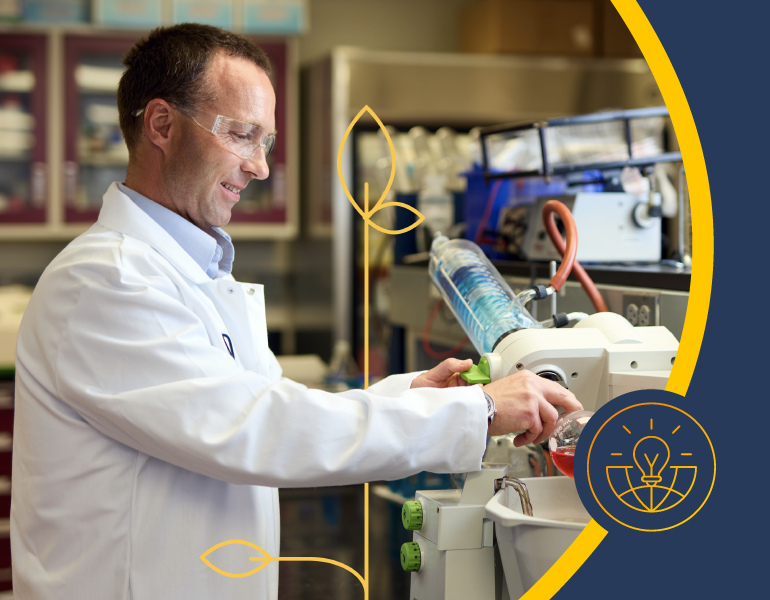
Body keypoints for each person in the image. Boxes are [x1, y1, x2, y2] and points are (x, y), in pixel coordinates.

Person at [11, 24, 581, 599]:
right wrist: (477, 412)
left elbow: (279, 411)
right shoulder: (106, 280)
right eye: (241, 135)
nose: (259, 166)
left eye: (267, 142)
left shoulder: (191, 271)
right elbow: (259, 431)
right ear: (161, 124)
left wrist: (419, 397)